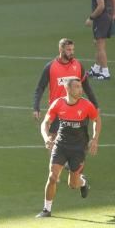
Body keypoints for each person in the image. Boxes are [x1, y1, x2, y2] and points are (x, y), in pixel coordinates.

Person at [37, 77, 101, 217]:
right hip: (60, 145)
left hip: (78, 149)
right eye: (77, 87)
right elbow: (45, 123)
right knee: (53, 177)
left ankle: (83, 182)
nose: (81, 89)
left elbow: (96, 120)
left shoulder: (86, 105)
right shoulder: (58, 104)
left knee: (73, 184)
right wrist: (46, 137)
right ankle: (46, 210)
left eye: (80, 86)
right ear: (68, 89)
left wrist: (95, 139)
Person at [33, 38, 99, 133]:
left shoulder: (78, 65)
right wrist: (36, 107)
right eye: (68, 50)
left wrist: (95, 105)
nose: (71, 52)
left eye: (73, 50)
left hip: (76, 111)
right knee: (54, 142)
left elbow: (86, 87)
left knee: (76, 141)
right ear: (61, 50)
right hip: (57, 111)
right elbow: (40, 88)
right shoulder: (50, 67)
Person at [85, 0, 113, 81]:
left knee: (100, 46)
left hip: (100, 18)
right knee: (98, 43)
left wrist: (91, 18)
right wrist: (113, 13)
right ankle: (96, 69)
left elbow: (100, 6)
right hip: (107, 16)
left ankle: (105, 72)